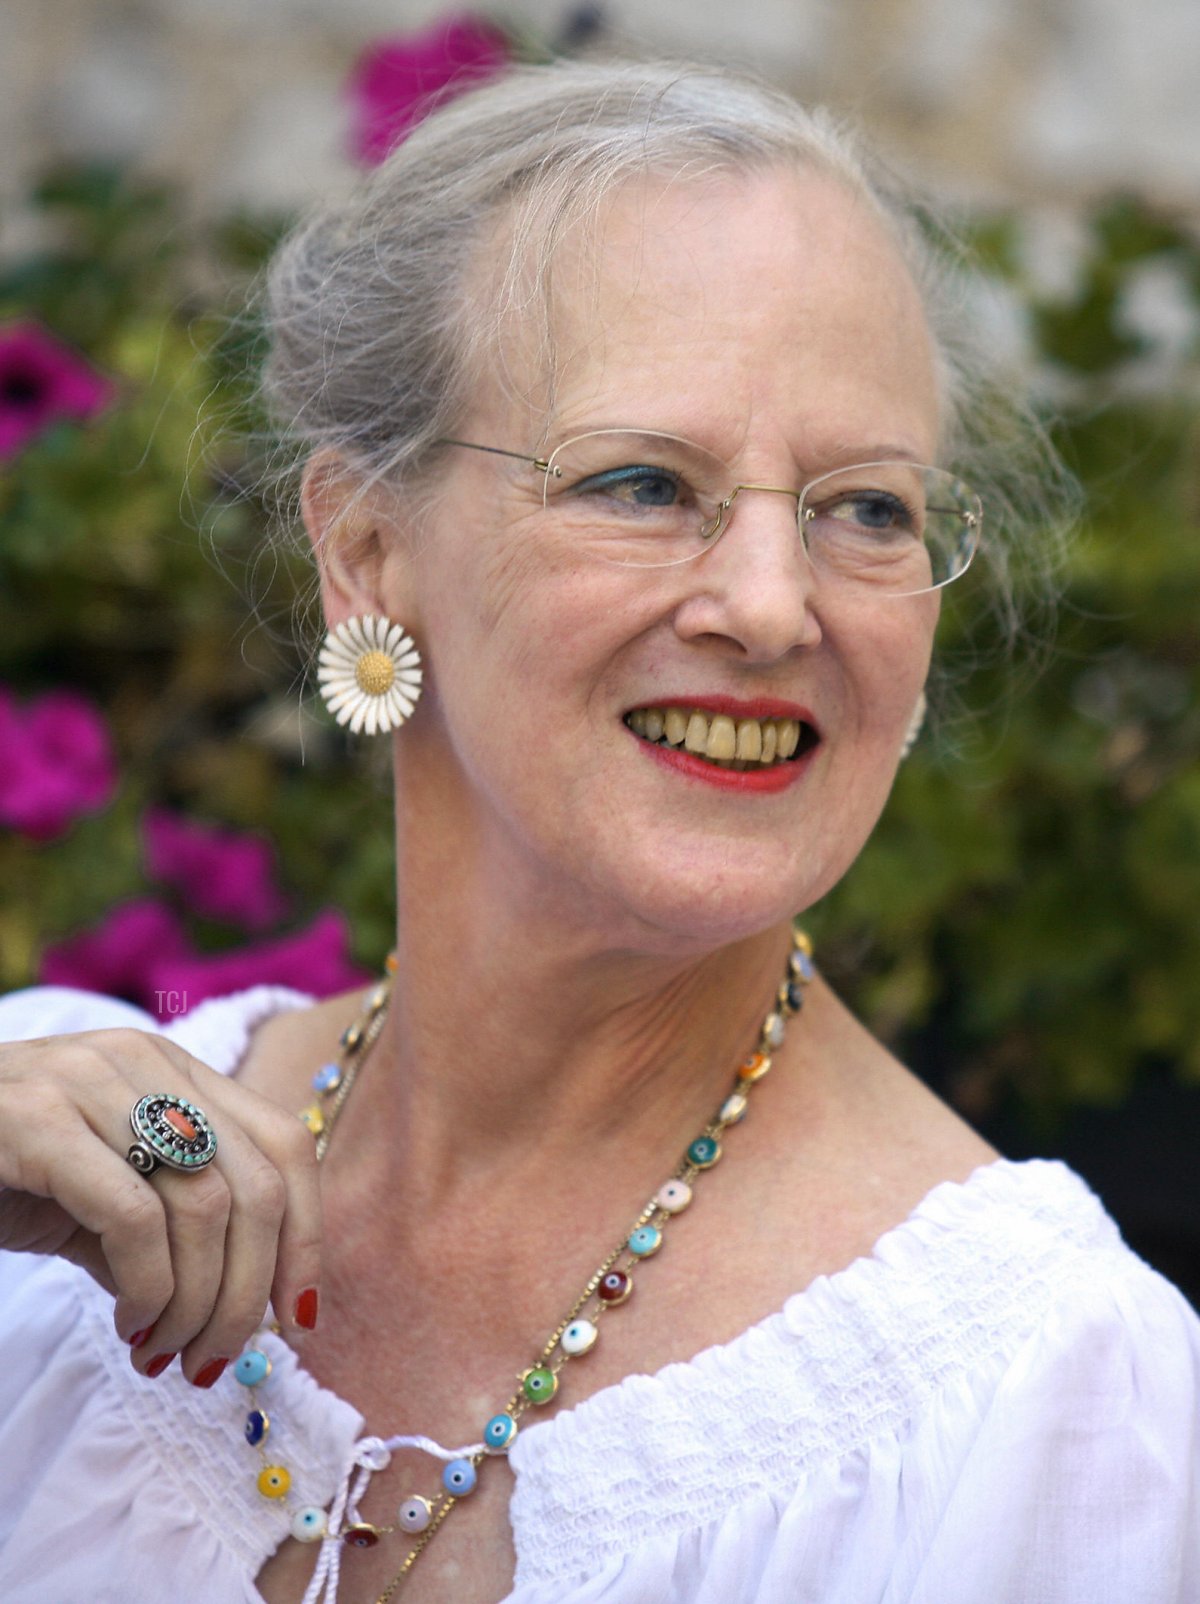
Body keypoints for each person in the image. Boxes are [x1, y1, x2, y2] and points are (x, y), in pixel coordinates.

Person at [0, 58, 1196, 1604]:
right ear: (367, 548)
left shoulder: (1048, 1412)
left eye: (868, 509)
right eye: (645, 482)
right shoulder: (52, 1213)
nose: (772, 605)